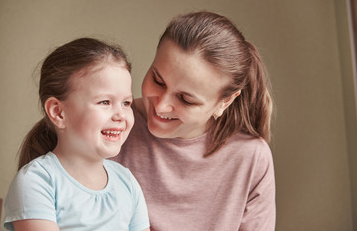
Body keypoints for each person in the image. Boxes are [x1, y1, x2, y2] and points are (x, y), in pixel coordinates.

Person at [112, 11, 276, 230]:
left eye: (186, 99)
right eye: (158, 81)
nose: (161, 106)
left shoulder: (251, 156)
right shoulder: (107, 124)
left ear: (224, 103)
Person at [4, 38, 150, 231]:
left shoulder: (127, 181)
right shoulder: (36, 181)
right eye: (105, 102)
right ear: (58, 112)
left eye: (126, 103)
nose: (121, 115)